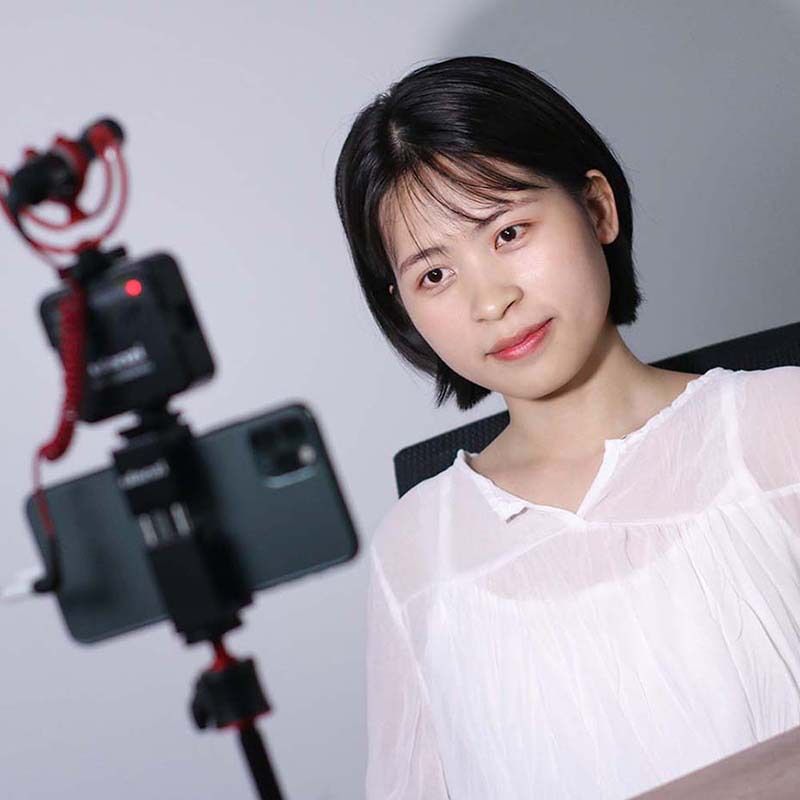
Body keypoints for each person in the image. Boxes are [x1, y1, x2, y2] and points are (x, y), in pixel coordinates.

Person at [334, 55, 800, 799]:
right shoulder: (417, 551)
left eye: (508, 232)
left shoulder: (783, 426)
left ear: (596, 208)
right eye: (434, 274)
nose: (490, 300)